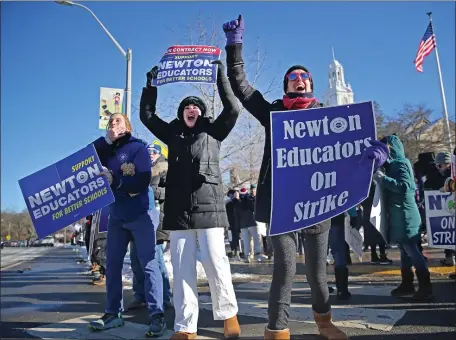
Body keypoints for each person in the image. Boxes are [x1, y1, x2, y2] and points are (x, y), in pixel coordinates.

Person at [223, 14, 349, 339]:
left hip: (318, 207)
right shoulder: (274, 114)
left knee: (318, 274)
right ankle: (277, 331)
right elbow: (242, 87)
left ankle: (324, 322)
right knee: (285, 270)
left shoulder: (326, 117)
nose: (299, 80)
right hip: (283, 207)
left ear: (311, 84)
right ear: (286, 86)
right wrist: (234, 46)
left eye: (304, 76)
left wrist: (371, 157)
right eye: (293, 77)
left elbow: (348, 150)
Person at [140, 60, 241, 339]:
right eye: (186, 107)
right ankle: (186, 327)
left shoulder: (213, 131)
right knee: (182, 268)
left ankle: (228, 314)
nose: (191, 109)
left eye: (195, 106)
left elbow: (233, 108)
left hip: (209, 207)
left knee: (214, 260)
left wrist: (221, 76)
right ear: (181, 114)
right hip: (178, 209)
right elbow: (147, 117)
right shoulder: (171, 133)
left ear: (202, 112)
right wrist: (151, 87)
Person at [88, 113, 166, 337]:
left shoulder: (137, 148)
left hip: (140, 215)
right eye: (110, 122)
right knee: (112, 265)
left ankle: (156, 315)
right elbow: (87, 156)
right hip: (116, 217)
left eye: (118, 121)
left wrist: (117, 181)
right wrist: (107, 140)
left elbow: (142, 180)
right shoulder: (106, 149)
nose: (114, 124)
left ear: (128, 126)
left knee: (148, 264)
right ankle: (113, 313)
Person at [373, 135, 433, 301]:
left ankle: (425, 287)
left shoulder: (401, 163)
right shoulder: (392, 166)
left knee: (412, 252)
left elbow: (406, 187)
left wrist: (383, 179)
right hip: (399, 215)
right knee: (405, 252)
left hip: (406, 215)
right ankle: (407, 284)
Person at [127, 144, 173, 312]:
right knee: (135, 259)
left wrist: (152, 191)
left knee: (156, 260)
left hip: (155, 220)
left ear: (159, 154)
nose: (151, 154)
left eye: (154, 152)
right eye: (148, 152)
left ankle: (165, 296)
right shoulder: (139, 170)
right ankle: (139, 295)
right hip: (136, 218)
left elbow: (172, 192)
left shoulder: (165, 169)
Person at [424, 151, 454, 266]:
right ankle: (449, 256)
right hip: (442, 209)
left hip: (451, 207)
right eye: (437, 165)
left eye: (440, 165)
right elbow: (427, 186)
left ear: (447, 164)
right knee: (448, 232)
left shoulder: (452, 174)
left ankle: (450, 256)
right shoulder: (434, 175)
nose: (439, 168)